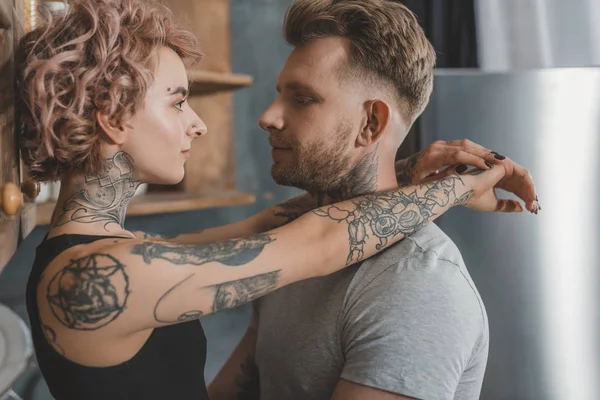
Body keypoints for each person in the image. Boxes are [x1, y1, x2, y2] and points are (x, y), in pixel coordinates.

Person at [14, 0, 529, 399]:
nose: (197, 123)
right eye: (177, 102)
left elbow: (272, 226)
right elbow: (318, 240)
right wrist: (461, 186)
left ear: (371, 123)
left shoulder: (100, 253)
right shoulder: (91, 278)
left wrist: (408, 173)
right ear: (111, 116)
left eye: (301, 98)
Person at [207, 1, 540, 400]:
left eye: (302, 99)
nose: (268, 116)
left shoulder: (417, 284)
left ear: (371, 124)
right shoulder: (290, 245)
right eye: (280, 95)